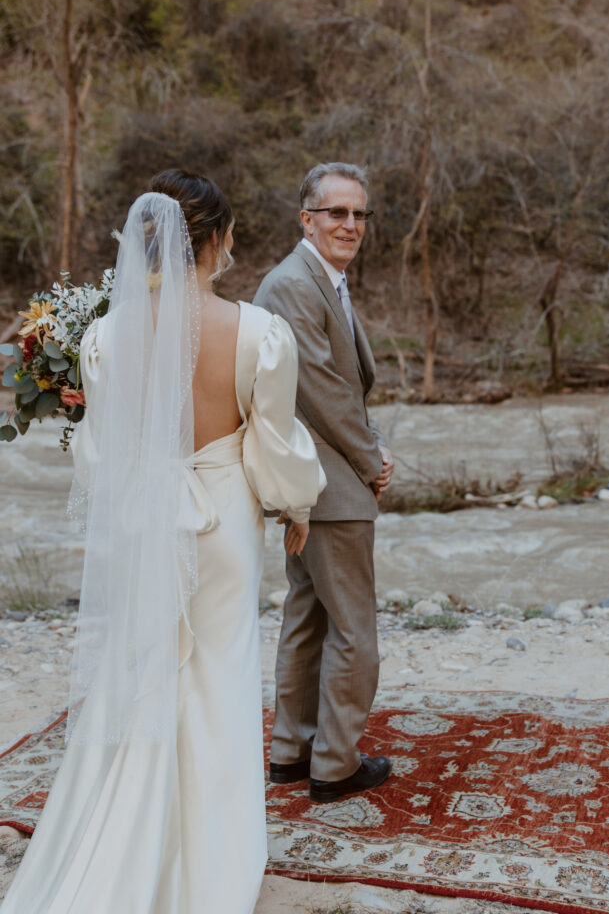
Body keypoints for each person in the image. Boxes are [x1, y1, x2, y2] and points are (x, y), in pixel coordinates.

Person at [1, 170, 325, 913]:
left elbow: (99, 454)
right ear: (212, 240)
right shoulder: (257, 333)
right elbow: (272, 446)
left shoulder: (107, 336)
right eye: (231, 232)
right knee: (220, 680)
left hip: (146, 520)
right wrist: (294, 507)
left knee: (143, 672)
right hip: (220, 524)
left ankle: (124, 833)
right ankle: (213, 862)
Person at [253, 161, 394, 804]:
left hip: (317, 482)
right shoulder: (291, 284)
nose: (351, 224)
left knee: (308, 617)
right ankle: (334, 764)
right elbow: (321, 391)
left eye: (359, 213)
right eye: (336, 212)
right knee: (354, 629)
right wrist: (372, 460)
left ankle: (292, 751)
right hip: (327, 483)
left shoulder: (325, 279)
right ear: (306, 218)